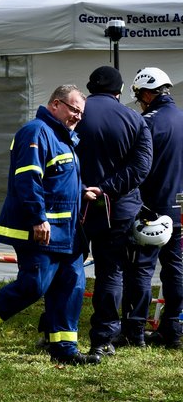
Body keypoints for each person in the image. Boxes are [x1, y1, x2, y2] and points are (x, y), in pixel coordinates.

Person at [0, 85, 100, 365]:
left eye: (81, 113)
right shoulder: (35, 132)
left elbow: (58, 180)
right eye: (73, 110)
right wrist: (38, 218)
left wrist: (81, 191)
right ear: (55, 104)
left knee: (71, 287)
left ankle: (64, 350)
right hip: (41, 230)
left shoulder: (65, 138)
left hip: (68, 234)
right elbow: (27, 178)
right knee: (33, 286)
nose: (78, 117)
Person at [75, 66, 152, 355]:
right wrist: (105, 188)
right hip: (117, 208)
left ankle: (56, 331)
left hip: (75, 205)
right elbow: (140, 167)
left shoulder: (75, 113)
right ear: (119, 92)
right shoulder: (134, 119)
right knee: (111, 272)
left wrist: (84, 188)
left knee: (68, 269)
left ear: (90, 88)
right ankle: (104, 339)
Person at [122, 67, 183, 348]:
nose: (139, 102)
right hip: (179, 208)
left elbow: (137, 168)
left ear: (147, 93)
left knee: (142, 269)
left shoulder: (146, 122)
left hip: (152, 208)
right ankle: (172, 329)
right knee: (175, 268)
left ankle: (135, 332)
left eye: (139, 96)